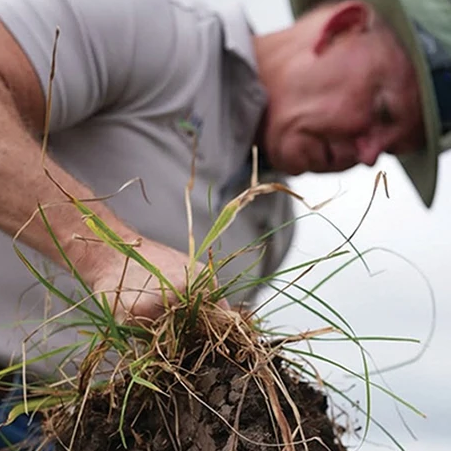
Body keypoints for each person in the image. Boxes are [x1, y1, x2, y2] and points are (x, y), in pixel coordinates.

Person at [0, 0, 449, 446]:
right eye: (383, 110)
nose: (370, 154)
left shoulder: (272, 222)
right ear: (343, 26)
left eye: (391, 148)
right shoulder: (152, 34)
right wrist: (108, 255)